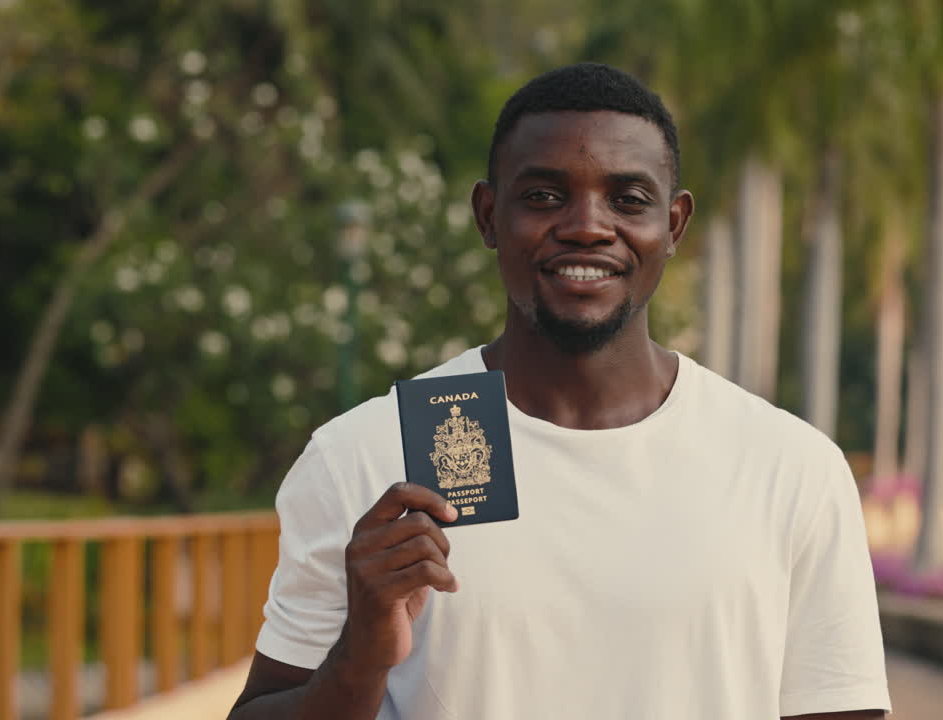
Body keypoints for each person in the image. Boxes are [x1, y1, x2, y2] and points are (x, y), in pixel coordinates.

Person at [229, 62, 890, 720]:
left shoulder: (790, 467)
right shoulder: (366, 456)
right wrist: (360, 657)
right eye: (544, 196)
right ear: (489, 217)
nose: (586, 226)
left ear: (675, 225)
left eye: (628, 199)